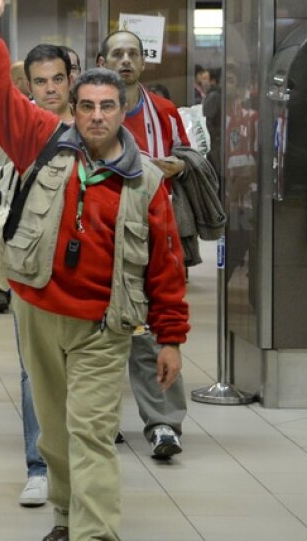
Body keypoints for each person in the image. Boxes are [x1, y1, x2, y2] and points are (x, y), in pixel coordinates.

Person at [0, 0, 188, 541]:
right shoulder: (44, 139)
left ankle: (95, 534)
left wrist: (171, 337)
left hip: (102, 325)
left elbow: (165, 266)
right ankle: (67, 518)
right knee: (54, 435)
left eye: (106, 107)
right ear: (74, 105)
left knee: (90, 431)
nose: (95, 116)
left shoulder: (146, 181)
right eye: (87, 106)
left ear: (123, 110)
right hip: (38, 310)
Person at [97, 28, 191, 461]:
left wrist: (172, 167)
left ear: (143, 61)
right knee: (100, 336)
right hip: (101, 241)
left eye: (133, 53)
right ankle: (103, 420)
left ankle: (163, 424)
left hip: (153, 236)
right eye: (117, 53)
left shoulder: (164, 111)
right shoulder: (91, 109)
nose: (125, 60)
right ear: (102, 59)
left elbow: (188, 158)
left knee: (152, 331)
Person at [15, 42, 78, 508]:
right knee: (32, 371)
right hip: (33, 272)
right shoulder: (18, 132)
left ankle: (81, 467)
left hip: (85, 273)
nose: (50, 88)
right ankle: (39, 467)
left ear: (70, 79)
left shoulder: (98, 123)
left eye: (58, 78)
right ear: (29, 86)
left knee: (84, 372)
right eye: (40, 81)